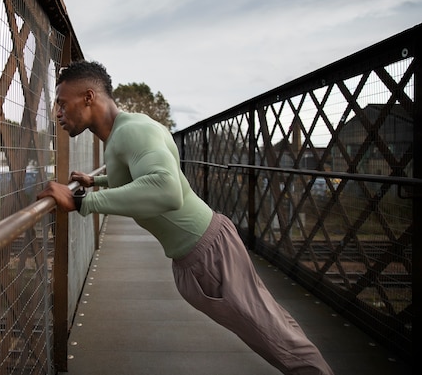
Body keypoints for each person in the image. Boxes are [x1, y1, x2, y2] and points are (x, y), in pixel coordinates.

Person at [37, 60, 334, 375]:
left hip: (209, 256)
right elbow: (141, 176)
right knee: (274, 327)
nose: (57, 112)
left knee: (278, 342)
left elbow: (166, 189)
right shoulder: (130, 128)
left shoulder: (132, 132)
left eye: (61, 102)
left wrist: (83, 200)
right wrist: (95, 181)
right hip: (205, 249)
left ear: (87, 97)